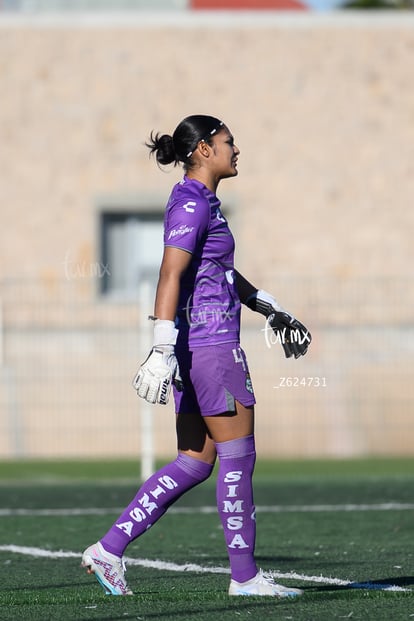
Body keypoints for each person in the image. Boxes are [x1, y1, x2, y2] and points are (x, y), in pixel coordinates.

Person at [81, 114, 311, 598]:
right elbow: (170, 273)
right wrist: (161, 349)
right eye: (229, 141)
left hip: (198, 348)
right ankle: (245, 578)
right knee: (237, 459)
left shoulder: (204, 201)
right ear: (204, 149)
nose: (237, 149)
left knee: (194, 462)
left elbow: (219, 271)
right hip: (210, 347)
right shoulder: (190, 200)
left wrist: (270, 307)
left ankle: (109, 548)